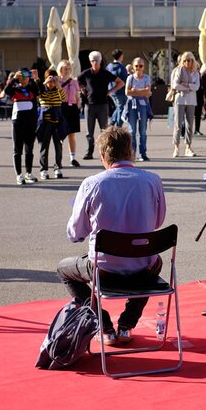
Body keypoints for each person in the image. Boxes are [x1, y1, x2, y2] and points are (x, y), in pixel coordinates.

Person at [57, 126, 166, 346]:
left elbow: (75, 233)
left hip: (104, 270)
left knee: (64, 269)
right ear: (131, 151)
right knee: (155, 260)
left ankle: (103, 324)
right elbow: (158, 222)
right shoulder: (152, 180)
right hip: (141, 267)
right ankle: (127, 323)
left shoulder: (93, 183)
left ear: (103, 156)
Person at [78, 51, 123, 160]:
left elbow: (121, 82)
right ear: (90, 61)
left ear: (100, 61)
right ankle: (89, 151)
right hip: (90, 105)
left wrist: (110, 91)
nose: (95, 62)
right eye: (93, 60)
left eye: (97, 60)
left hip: (103, 105)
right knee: (89, 131)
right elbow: (77, 81)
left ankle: (106, 151)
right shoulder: (86, 73)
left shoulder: (105, 73)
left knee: (104, 130)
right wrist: (82, 89)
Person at [2, 68, 38, 185]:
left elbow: (39, 91)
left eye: (27, 76)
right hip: (18, 122)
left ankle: (29, 173)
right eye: (22, 77)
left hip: (31, 122)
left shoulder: (32, 87)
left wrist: (35, 79)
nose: (24, 79)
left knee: (29, 149)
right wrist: (13, 79)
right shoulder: (15, 89)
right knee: (18, 149)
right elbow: (6, 90)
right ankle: (19, 175)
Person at [36, 69, 66, 180]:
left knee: (58, 146)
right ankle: (43, 169)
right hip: (45, 122)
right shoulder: (42, 90)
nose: (52, 83)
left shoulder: (58, 90)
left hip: (57, 123)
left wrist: (58, 85)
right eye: (50, 80)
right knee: (44, 146)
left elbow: (64, 97)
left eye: (54, 80)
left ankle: (58, 167)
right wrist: (44, 83)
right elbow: (37, 94)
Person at [169, 52, 200, 158]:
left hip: (191, 101)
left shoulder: (195, 72)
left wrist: (186, 85)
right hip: (180, 100)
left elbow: (197, 87)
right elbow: (175, 84)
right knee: (178, 125)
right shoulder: (178, 70)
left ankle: (188, 147)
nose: (187, 62)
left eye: (189, 60)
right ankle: (176, 147)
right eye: (185, 60)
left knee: (190, 125)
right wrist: (189, 87)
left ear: (192, 61)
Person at [124, 57, 152, 162]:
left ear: (144, 67)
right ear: (133, 67)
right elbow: (127, 92)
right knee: (132, 131)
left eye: (141, 66)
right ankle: (132, 154)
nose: (138, 68)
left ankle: (143, 153)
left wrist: (135, 90)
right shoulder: (130, 78)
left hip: (143, 105)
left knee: (142, 131)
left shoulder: (146, 78)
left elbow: (147, 92)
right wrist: (142, 91)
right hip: (132, 105)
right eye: (136, 66)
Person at [57, 60, 81, 167]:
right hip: (61, 107)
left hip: (72, 108)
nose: (67, 70)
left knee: (72, 134)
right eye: (65, 68)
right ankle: (59, 158)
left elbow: (77, 95)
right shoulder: (57, 81)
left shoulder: (74, 81)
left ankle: (73, 158)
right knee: (60, 134)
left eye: (68, 68)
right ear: (60, 69)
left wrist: (78, 106)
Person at [106, 49, 129, 128]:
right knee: (121, 109)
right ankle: (119, 126)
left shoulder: (109, 66)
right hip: (120, 91)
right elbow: (125, 80)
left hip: (111, 90)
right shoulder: (122, 67)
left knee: (118, 107)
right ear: (120, 56)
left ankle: (112, 122)